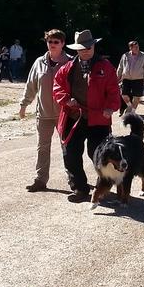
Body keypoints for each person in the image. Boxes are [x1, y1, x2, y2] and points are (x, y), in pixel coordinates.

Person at [53, 30, 120, 202]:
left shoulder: (106, 67)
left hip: (98, 119)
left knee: (99, 155)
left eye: (88, 47)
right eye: (82, 48)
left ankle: (102, 188)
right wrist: (67, 100)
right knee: (71, 154)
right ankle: (80, 189)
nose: (85, 50)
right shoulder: (67, 68)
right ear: (76, 49)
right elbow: (57, 87)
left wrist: (110, 108)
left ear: (94, 46)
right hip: (74, 117)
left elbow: (114, 91)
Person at [20, 29, 71, 192]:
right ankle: (40, 180)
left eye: (56, 42)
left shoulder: (70, 62)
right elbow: (31, 85)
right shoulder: (39, 62)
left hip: (65, 114)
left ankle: (73, 179)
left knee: (68, 148)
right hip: (43, 114)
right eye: (50, 41)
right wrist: (24, 104)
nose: (53, 44)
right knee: (42, 147)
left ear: (63, 43)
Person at [117, 40, 144, 113]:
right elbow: (120, 67)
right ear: (130, 48)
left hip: (138, 79)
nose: (137, 48)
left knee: (137, 97)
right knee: (124, 95)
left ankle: (132, 111)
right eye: (135, 47)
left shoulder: (143, 55)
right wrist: (118, 77)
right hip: (126, 78)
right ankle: (129, 106)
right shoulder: (125, 55)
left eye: (137, 47)